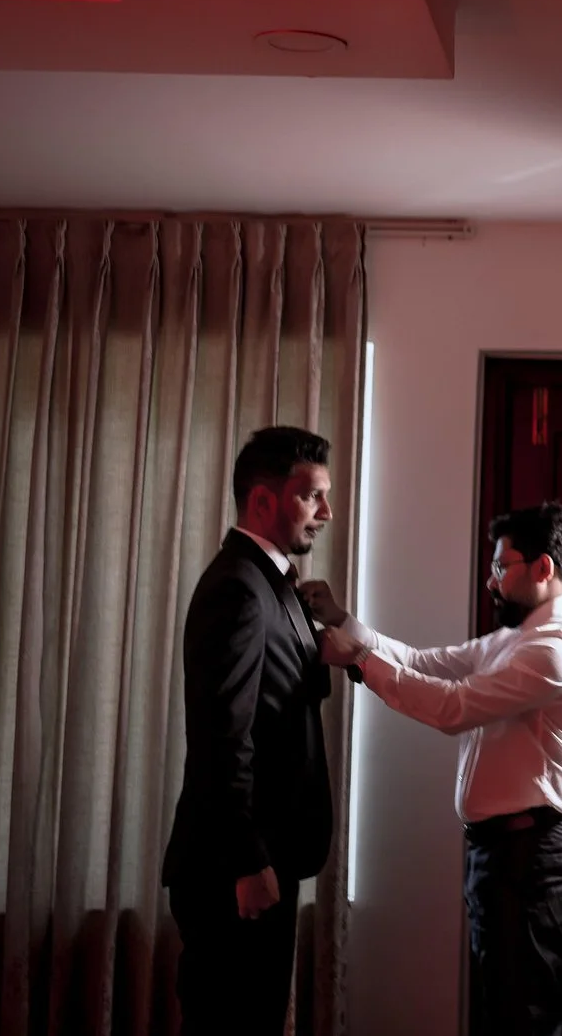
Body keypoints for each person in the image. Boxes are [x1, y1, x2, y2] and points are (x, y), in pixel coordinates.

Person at [302, 502, 562, 1036]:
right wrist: (346, 623)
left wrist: (357, 661)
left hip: (532, 857)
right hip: (508, 854)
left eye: (500, 567)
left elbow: (452, 707)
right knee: (508, 1008)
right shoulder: (520, 638)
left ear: (544, 569)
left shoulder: (557, 649)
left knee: (525, 1018)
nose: (491, 581)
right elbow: (424, 664)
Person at [163, 425, 338, 1036]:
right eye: (311, 495)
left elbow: (291, 694)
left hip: (268, 855)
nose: (326, 512)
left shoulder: (274, 583)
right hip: (234, 868)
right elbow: (221, 738)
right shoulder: (238, 589)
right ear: (262, 499)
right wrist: (246, 860)